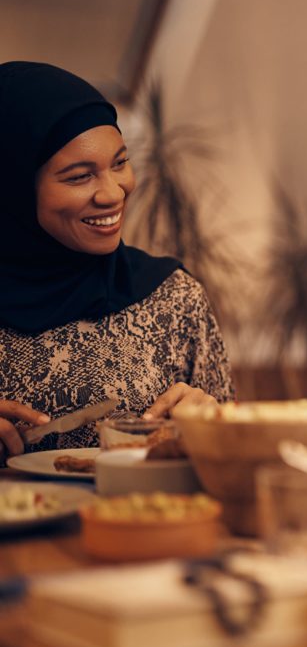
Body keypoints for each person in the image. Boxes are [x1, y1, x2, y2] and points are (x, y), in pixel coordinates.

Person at [0, 61, 233, 463]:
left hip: (147, 522)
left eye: (120, 162)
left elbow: (237, 469)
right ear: (13, 187)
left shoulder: (172, 299)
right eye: (78, 176)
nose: (113, 193)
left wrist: (215, 428)